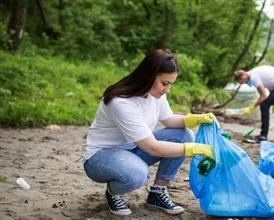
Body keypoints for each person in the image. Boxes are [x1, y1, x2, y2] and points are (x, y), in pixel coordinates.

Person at [83, 49, 215, 216]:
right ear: (148, 76)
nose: (167, 90)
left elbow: (169, 120)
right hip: (101, 157)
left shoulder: (155, 94)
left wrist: (196, 119)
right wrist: (194, 149)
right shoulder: (121, 102)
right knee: (138, 174)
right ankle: (113, 192)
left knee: (184, 135)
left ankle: (157, 192)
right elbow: (153, 148)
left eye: (171, 84)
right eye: (164, 83)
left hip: (134, 149)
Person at [234, 65, 274, 145]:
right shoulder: (254, 73)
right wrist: (273, 102)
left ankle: (263, 136)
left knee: (264, 104)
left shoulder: (253, 76)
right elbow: (270, 85)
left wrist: (252, 107)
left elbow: (263, 96)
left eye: (241, 82)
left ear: (243, 76)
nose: (244, 84)